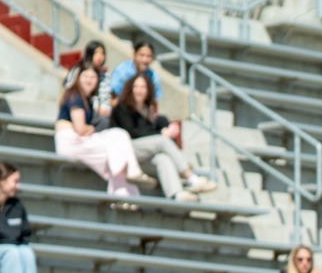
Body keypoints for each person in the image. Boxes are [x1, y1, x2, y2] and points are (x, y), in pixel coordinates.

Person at [109, 71, 214, 202]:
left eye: (143, 87)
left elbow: (152, 130)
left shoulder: (148, 110)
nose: (139, 90)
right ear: (130, 88)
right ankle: (190, 177)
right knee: (162, 141)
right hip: (124, 152)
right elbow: (133, 132)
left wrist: (167, 128)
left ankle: (177, 194)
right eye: (136, 87)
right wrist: (161, 133)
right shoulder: (122, 108)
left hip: (141, 157)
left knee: (162, 159)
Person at [55, 65, 140, 198]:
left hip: (77, 142)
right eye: (85, 77)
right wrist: (92, 128)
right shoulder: (75, 95)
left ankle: (125, 194)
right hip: (71, 142)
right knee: (118, 138)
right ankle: (131, 176)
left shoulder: (87, 99)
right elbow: (80, 128)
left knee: (115, 155)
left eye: (93, 77)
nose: (89, 80)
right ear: (78, 78)